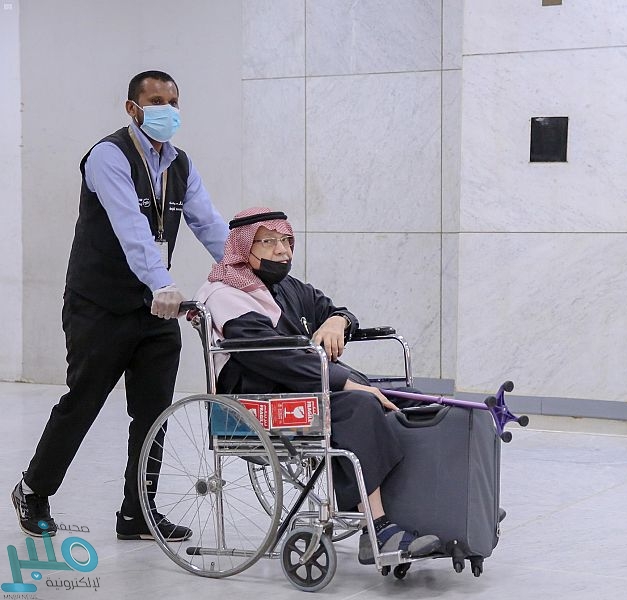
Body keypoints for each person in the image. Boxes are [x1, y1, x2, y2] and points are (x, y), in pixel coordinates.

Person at [11, 70, 229, 541]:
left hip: (155, 308)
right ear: (133, 108)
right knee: (84, 402)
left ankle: (138, 513)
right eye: (156, 101)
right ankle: (34, 489)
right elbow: (132, 229)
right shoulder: (108, 156)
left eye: (173, 102)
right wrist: (163, 281)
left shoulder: (180, 165)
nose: (167, 110)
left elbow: (210, 225)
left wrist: (247, 274)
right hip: (100, 304)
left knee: (153, 414)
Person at [194, 207, 441, 565]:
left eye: (286, 240)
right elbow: (272, 357)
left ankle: (431, 511)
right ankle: (378, 529)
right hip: (259, 398)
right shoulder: (226, 294)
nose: (282, 250)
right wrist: (346, 383)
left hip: (310, 386)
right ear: (243, 248)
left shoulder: (290, 288)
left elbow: (337, 311)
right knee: (360, 406)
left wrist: (338, 322)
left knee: (412, 403)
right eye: (269, 242)